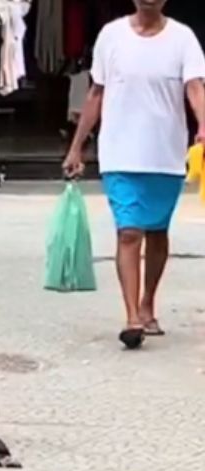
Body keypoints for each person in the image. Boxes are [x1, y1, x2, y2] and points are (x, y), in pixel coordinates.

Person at [62, 1, 205, 349]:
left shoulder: (182, 38)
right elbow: (96, 92)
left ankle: (147, 304)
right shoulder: (111, 36)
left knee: (157, 231)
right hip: (119, 153)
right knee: (129, 232)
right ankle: (131, 318)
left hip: (165, 155)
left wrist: (203, 124)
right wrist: (77, 146)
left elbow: (195, 87)